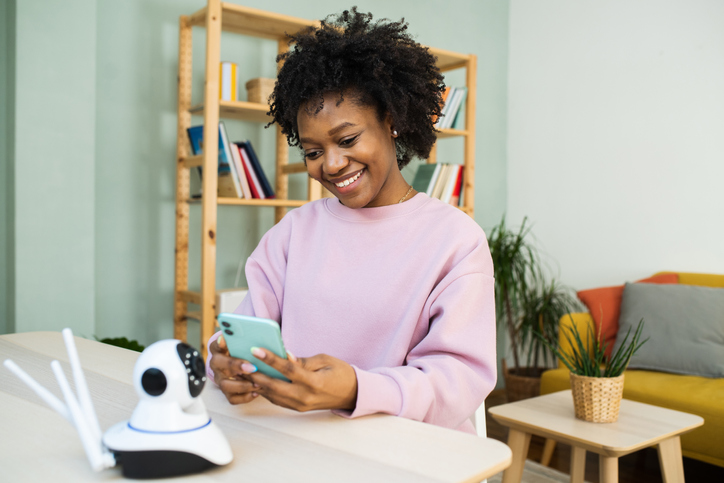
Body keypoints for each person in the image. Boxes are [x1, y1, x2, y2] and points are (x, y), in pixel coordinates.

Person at [207, 8, 496, 434]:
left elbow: (458, 382)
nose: (333, 164)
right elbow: (245, 334)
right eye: (312, 151)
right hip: (301, 444)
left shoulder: (456, 241)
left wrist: (357, 390)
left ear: (391, 122)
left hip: (411, 454)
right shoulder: (293, 232)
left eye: (347, 140)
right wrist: (224, 361)